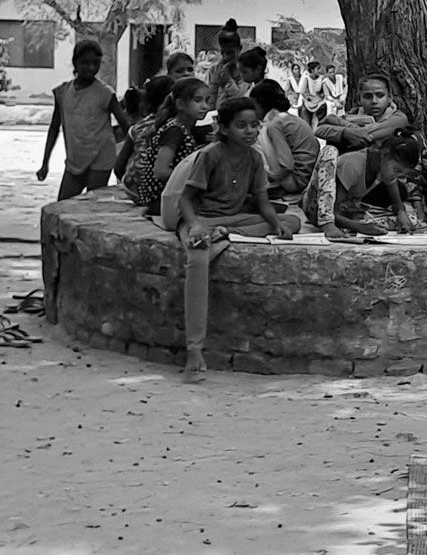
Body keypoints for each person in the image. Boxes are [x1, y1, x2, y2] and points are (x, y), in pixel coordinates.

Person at [161, 97, 300, 382]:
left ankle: (227, 235)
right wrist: (197, 226)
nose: (249, 131)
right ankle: (194, 349)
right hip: (202, 220)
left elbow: (262, 200)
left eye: (253, 125)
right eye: (241, 126)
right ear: (223, 128)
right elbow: (186, 201)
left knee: (291, 221)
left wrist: (275, 225)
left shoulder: (254, 158)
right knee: (198, 259)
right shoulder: (210, 155)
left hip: (234, 221)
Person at [36, 39, 130, 200]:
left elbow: (125, 125)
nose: (91, 67)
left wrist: (128, 158)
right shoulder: (63, 92)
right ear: (75, 63)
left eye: (96, 63)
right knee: (63, 206)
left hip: (101, 159)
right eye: (85, 62)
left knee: (92, 205)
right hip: (75, 160)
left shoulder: (105, 93)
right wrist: (45, 162)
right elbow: (54, 127)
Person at [310, 133, 424, 236]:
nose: (396, 176)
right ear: (384, 154)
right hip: (321, 209)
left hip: (348, 210)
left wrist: (401, 213)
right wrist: (360, 228)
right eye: (397, 170)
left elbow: (397, 203)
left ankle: (351, 225)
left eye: (401, 175)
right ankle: (334, 226)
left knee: (410, 220)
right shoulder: (353, 165)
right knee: (330, 150)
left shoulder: (384, 167)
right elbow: (334, 211)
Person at [123, 77, 207, 215]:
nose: (205, 106)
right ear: (180, 104)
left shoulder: (184, 129)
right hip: (160, 199)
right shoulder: (175, 130)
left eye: (207, 100)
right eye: (198, 101)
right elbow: (160, 171)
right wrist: (193, 182)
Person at [248, 79, 324, 210]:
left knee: (252, 141)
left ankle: (272, 187)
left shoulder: (273, 124)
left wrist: (269, 179)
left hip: (296, 181)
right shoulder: (286, 118)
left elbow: (286, 165)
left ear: (260, 103)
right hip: (308, 176)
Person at [315, 72, 410, 152]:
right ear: (359, 99)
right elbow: (319, 130)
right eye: (368, 96)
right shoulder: (352, 115)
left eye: (380, 95)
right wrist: (345, 132)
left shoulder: (398, 118)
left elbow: (364, 134)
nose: (374, 101)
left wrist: (340, 124)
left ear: (389, 97)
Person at [206, 19, 249, 108]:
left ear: (239, 49)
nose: (226, 57)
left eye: (230, 53)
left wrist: (228, 80)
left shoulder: (246, 70)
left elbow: (239, 97)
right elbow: (210, 99)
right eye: (223, 53)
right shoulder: (214, 70)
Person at [295, 60, 329, 125]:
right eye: (317, 69)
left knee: (320, 114)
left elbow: (325, 92)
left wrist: (321, 95)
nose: (319, 70)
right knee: (304, 114)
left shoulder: (322, 78)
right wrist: (308, 97)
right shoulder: (306, 78)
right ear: (312, 70)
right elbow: (303, 92)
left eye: (319, 68)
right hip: (308, 102)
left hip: (318, 102)